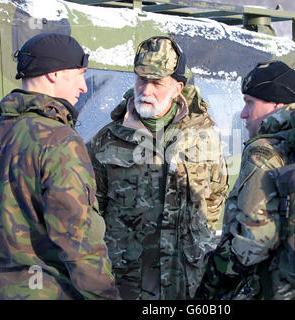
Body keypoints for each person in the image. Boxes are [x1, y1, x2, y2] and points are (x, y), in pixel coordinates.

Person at [0, 32, 120, 300]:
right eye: (78, 74)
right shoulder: (59, 141)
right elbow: (79, 239)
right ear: (54, 74)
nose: (83, 86)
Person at [195, 61, 295, 300]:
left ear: (279, 105)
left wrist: (209, 286)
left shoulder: (265, 151)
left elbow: (251, 243)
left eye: (250, 102)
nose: (243, 114)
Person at [88, 36, 228, 300]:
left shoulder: (204, 134)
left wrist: (195, 241)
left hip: (188, 281)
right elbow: (92, 211)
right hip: (129, 282)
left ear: (177, 87)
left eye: (157, 82)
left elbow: (215, 195)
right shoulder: (106, 141)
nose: (146, 90)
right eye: (141, 79)